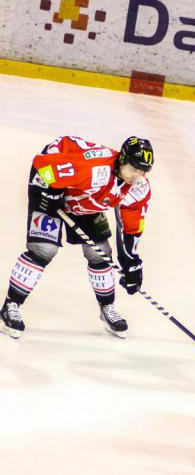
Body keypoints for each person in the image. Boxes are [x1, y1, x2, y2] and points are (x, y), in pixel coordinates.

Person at [0, 135, 153, 339]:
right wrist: (49, 195)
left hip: (87, 198)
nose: (138, 176)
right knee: (44, 249)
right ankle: (10, 305)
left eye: (143, 171)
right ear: (122, 160)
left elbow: (131, 227)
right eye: (134, 169)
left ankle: (107, 308)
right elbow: (42, 165)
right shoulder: (94, 170)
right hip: (52, 181)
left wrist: (131, 261)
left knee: (100, 253)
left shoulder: (139, 187)